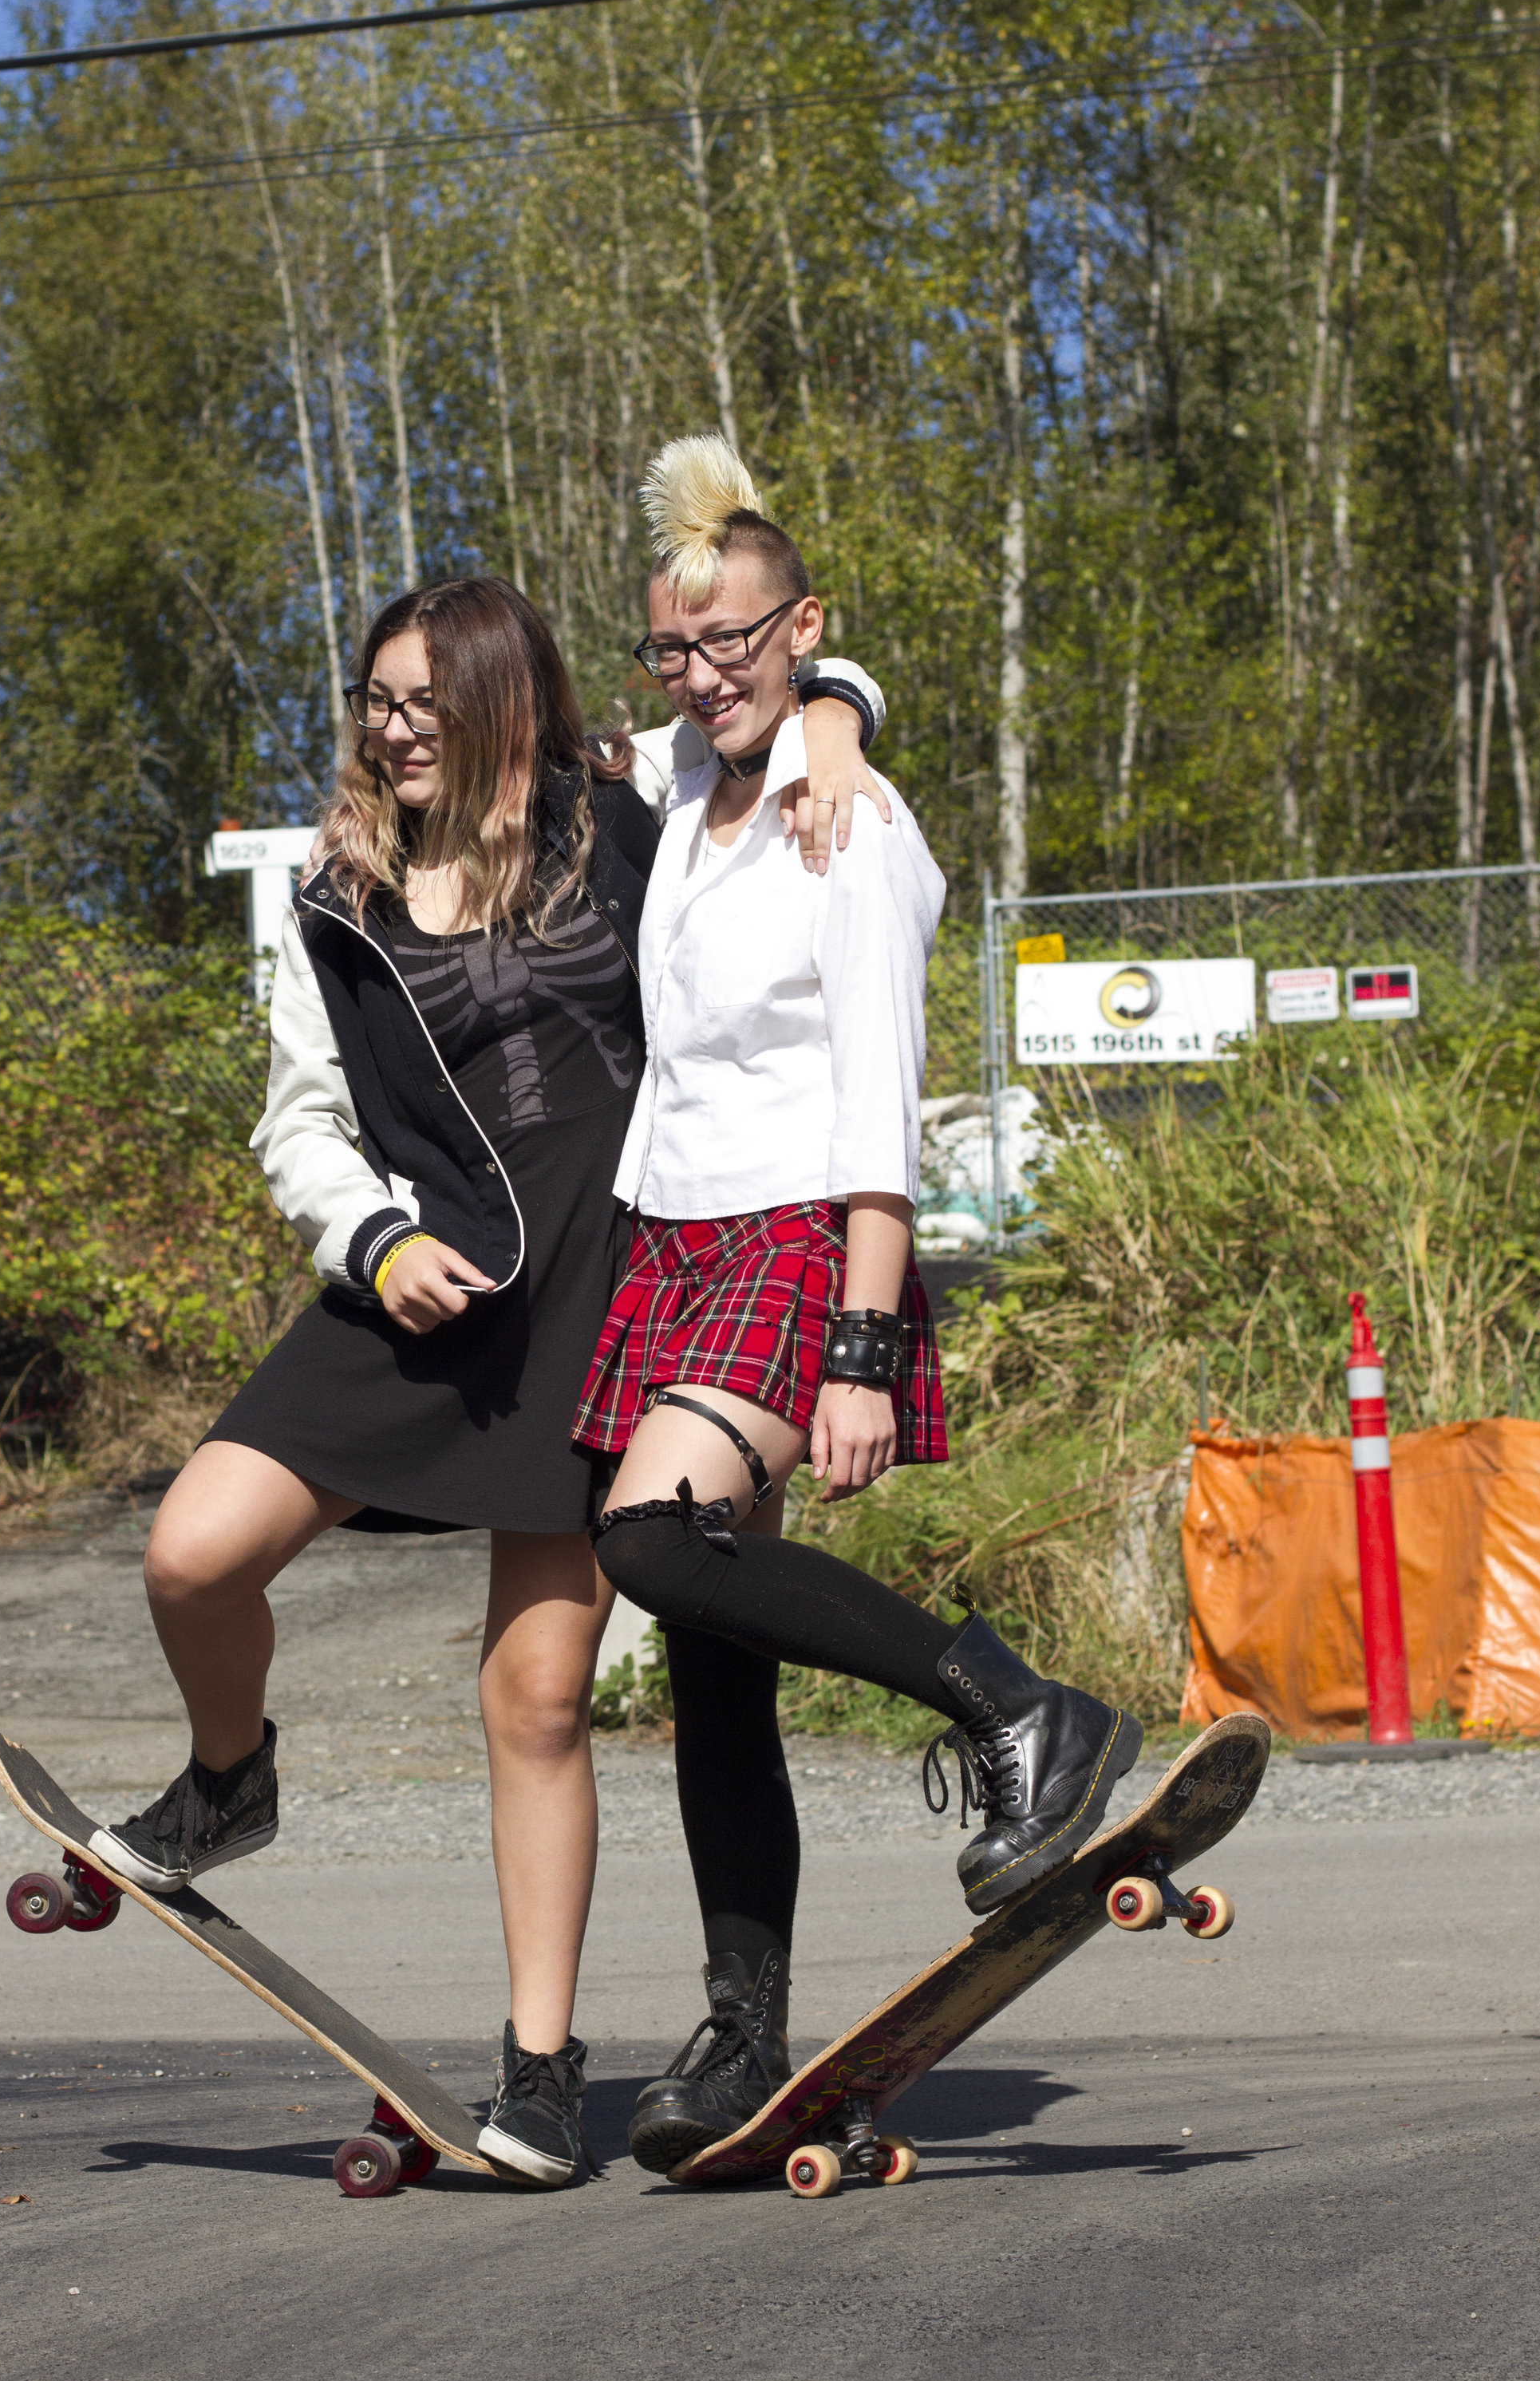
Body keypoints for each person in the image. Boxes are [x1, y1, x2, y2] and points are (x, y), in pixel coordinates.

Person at [84, 571, 888, 2186]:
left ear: (503, 702)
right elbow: (298, 1123)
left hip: (606, 1293)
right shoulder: (335, 899)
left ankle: (536, 2069)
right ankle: (228, 1776)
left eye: (422, 704)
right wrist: (370, 1235)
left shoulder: (619, 814)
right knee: (191, 1549)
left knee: (532, 1698)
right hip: (422, 1282)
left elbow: (775, 685)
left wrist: (835, 714)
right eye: (374, 704)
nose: (391, 733)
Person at [578, 438, 1142, 2175]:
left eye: (735, 645)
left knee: (650, 1541)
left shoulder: (854, 824)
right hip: (664, 1235)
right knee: (713, 1658)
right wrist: (815, 702)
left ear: (796, 625)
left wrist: (861, 1346)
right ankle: (741, 2023)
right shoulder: (692, 781)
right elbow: (668, 726)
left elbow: (878, 1111)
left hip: (796, 1237)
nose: (702, 677)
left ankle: (1017, 1705)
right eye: (673, 650)